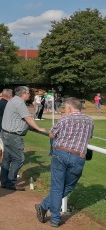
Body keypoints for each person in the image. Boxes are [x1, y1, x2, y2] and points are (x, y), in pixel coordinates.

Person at [34, 98, 93, 228]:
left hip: (61, 153)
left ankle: (48, 210)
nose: (64, 110)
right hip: (78, 157)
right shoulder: (90, 121)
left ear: (70, 108)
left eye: (65, 108)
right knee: (68, 186)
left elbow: (52, 134)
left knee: (57, 187)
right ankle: (50, 213)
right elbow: (88, 137)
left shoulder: (65, 119)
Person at [0, 86, 46, 191]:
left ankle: (4, 181)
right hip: (12, 135)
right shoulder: (19, 103)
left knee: (7, 158)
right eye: (28, 93)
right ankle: (10, 182)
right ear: (24, 93)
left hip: (6, 133)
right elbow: (28, 118)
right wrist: (38, 128)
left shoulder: (12, 101)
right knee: (19, 158)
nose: (30, 95)